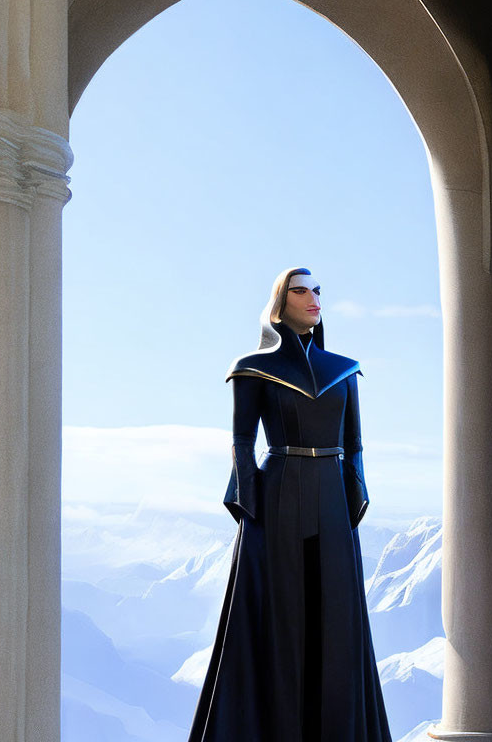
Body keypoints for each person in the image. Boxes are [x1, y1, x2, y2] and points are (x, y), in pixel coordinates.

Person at [186, 267, 392, 742]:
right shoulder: (254, 368)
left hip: (334, 508)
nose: (314, 297)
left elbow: (354, 442)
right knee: (279, 621)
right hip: (277, 498)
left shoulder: (344, 368)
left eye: (318, 289)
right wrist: (248, 503)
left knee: (337, 624)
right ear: (279, 304)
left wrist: (355, 496)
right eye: (301, 289)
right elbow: (241, 441)